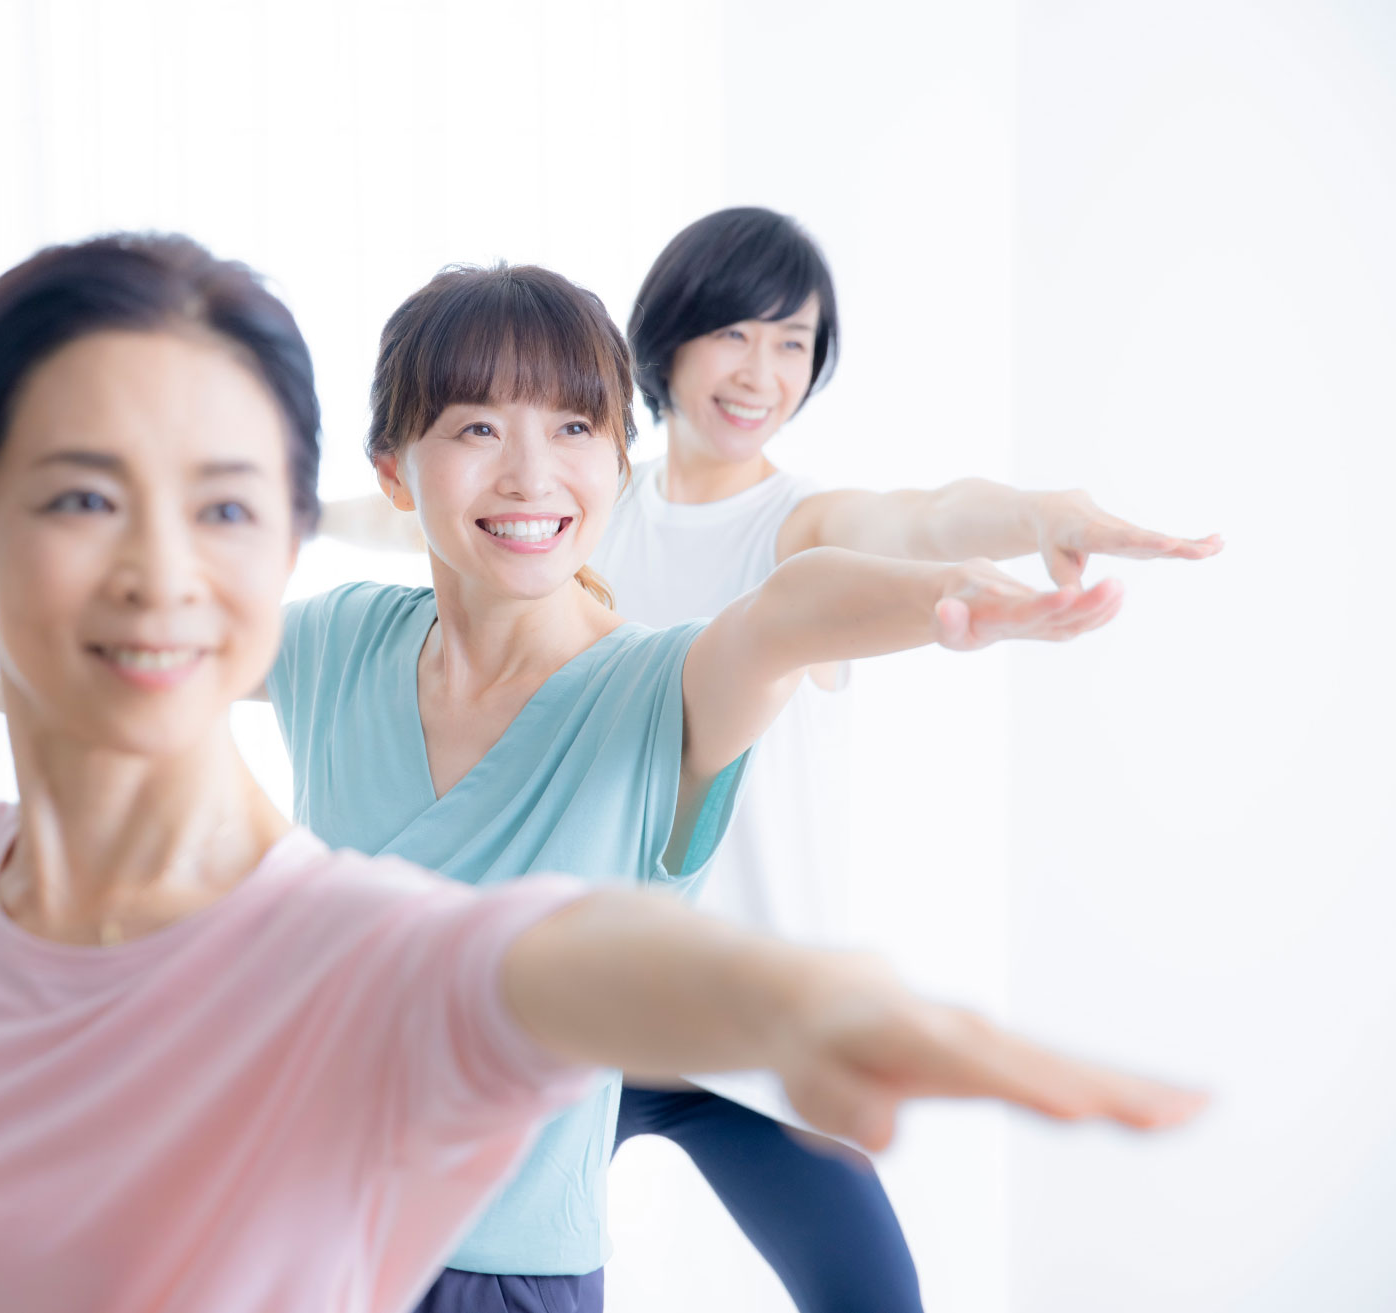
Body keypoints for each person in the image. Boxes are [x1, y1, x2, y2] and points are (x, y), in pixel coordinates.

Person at [0, 234, 1202, 1313]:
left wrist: (949, 611)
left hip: (509, 1242)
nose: (532, 469)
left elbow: (767, 648)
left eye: (576, 426)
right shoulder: (342, 644)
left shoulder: (637, 699)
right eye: (476, 426)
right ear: (395, 467)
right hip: (310, 1210)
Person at [322, 213, 1222, 1312]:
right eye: (733, 334)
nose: (759, 372)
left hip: (741, 1009)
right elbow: (433, 506)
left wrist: (1031, 517)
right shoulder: (577, 497)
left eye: (793, 342)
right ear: (667, 340)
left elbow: (919, 521)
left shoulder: (797, 523)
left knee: (872, 1294)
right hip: (590, 1000)